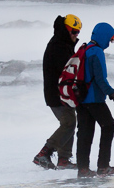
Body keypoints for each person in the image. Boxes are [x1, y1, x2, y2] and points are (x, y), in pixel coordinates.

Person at [77, 22, 114, 178]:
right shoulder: (97, 52)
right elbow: (100, 79)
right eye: (110, 38)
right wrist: (113, 94)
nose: (110, 42)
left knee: (85, 133)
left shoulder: (85, 49)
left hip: (81, 99)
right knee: (108, 127)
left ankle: (83, 169)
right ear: (104, 36)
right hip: (94, 99)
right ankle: (103, 166)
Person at [33, 13, 81, 169]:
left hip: (61, 93)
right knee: (68, 123)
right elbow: (67, 71)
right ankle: (44, 153)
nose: (76, 35)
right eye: (74, 31)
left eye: (77, 32)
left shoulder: (63, 44)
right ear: (66, 30)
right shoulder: (58, 46)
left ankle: (64, 160)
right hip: (57, 94)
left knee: (69, 123)